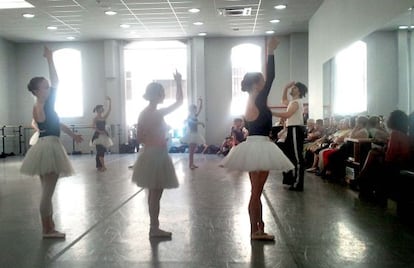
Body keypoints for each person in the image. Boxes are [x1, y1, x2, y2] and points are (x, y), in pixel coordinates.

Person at [221, 37, 294, 241]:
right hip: (261, 146)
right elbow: (271, 76)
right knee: (256, 192)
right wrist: (270, 51)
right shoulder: (259, 98)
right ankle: (256, 231)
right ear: (256, 85)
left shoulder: (249, 102)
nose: (264, 84)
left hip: (252, 146)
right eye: (261, 82)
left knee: (256, 191)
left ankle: (257, 227)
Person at [20, 46, 83, 239]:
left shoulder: (38, 105)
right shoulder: (44, 103)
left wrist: (72, 136)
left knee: (46, 190)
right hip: (49, 147)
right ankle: (47, 229)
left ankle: (49, 226)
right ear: (38, 91)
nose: (49, 88)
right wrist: (50, 59)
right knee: (47, 192)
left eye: (47, 87)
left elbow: (56, 123)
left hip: (44, 145)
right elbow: (57, 81)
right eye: (45, 87)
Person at [132, 71, 183, 238]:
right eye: (162, 93)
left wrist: (150, 137)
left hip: (148, 153)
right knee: (156, 193)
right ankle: (154, 228)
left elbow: (139, 137)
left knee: (152, 192)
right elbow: (179, 102)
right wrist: (178, 82)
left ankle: (154, 226)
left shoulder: (143, 113)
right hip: (157, 155)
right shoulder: (157, 113)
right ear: (156, 95)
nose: (163, 95)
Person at [272, 81, 308, 191]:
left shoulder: (297, 102)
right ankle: (290, 179)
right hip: (292, 129)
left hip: (295, 129)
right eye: (292, 87)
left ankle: (298, 184)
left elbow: (287, 115)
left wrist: (272, 113)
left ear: (299, 91)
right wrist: (285, 88)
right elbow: (283, 101)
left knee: (297, 158)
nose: (292, 89)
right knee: (288, 155)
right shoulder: (293, 102)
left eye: (295, 88)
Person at [180, 98, 205, 169]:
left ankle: (192, 163)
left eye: (195, 109)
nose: (195, 110)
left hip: (195, 133)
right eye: (194, 109)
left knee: (193, 150)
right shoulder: (189, 116)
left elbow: (200, 109)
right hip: (191, 134)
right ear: (191, 109)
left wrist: (201, 101)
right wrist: (200, 123)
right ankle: (190, 164)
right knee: (191, 151)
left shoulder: (194, 115)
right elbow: (192, 122)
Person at [91, 96, 113, 171]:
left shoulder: (104, 117)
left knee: (101, 151)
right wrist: (100, 131)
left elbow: (109, 110)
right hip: (98, 136)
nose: (102, 109)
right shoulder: (95, 118)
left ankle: (99, 166)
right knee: (100, 151)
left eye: (102, 108)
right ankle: (103, 166)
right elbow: (93, 127)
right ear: (97, 110)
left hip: (104, 136)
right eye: (100, 108)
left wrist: (110, 101)